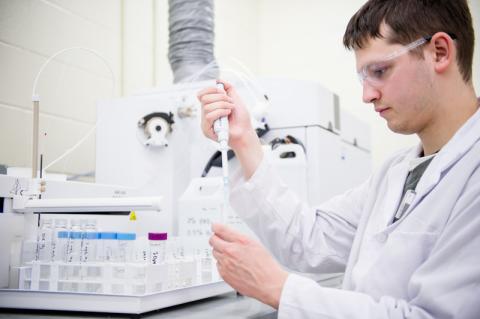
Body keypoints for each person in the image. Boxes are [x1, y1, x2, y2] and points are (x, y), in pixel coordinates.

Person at [197, 0, 479, 317]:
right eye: (364, 78)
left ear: (439, 52)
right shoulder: (395, 172)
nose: (367, 95)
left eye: (380, 71)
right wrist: (243, 138)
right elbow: (309, 239)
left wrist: (279, 288)